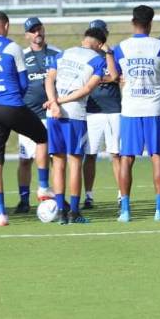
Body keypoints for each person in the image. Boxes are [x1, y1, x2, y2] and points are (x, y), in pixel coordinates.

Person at [0, 11, 49, 227]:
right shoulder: (12, 47)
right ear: (6, 26)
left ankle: (1, 215)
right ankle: (43, 186)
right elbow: (24, 83)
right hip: (11, 105)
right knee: (42, 137)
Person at [44, 26, 111, 224]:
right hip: (74, 115)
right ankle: (74, 212)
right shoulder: (98, 60)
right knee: (74, 164)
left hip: (52, 113)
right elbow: (87, 89)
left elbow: (49, 79)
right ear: (100, 44)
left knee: (58, 163)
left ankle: (60, 212)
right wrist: (60, 102)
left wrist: (54, 102)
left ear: (84, 39)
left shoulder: (63, 53)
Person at [115, 4, 160, 222]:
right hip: (154, 108)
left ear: (133, 22)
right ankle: (159, 210)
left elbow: (117, 75)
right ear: (150, 23)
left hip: (130, 109)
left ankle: (125, 211)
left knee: (126, 158)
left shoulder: (121, 48)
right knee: (157, 156)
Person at [19, 16, 58, 211]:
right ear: (27, 35)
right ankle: (24, 200)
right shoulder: (21, 56)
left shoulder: (57, 54)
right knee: (25, 160)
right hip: (29, 115)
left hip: (52, 115)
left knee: (55, 158)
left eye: (39, 29)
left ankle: (55, 196)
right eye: (33, 31)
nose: (37, 33)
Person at [83, 18, 121, 209]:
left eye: (101, 32)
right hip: (92, 110)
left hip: (114, 109)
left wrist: (108, 55)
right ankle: (88, 196)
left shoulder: (114, 52)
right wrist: (105, 79)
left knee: (116, 154)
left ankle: (122, 194)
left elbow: (118, 77)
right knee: (90, 154)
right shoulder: (84, 56)